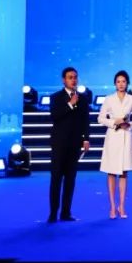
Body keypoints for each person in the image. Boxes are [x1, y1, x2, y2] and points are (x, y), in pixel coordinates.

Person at [48, 66, 90, 222]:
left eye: (75, 77)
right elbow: (54, 116)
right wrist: (70, 104)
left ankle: (66, 212)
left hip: (74, 144)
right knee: (56, 179)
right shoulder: (56, 97)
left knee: (70, 179)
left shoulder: (83, 98)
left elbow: (85, 120)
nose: (73, 80)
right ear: (64, 80)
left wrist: (86, 138)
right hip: (59, 144)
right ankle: (53, 213)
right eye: (70, 77)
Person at [98, 69, 132, 219]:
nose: (121, 84)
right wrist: (114, 122)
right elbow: (101, 118)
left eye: (123, 81)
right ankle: (112, 206)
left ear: (127, 83)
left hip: (126, 136)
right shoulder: (109, 99)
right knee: (111, 172)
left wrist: (129, 125)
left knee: (123, 172)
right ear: (115, 84)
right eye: (118, 82)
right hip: (113, 136)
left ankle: (122, 206)